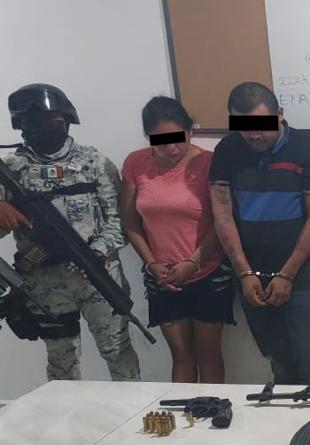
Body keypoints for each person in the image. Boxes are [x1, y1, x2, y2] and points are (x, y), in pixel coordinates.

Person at [0, 83, 140, 381]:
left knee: (117, 352)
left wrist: (99, 251)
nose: (45, 127)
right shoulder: (11, 169)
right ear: (22, 126)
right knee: (62, 363)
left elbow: (120, 222)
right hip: (44, 282)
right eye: (35, 122)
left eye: (53, 120)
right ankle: (64, 412)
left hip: (96, 274)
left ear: (67, 120)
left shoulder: (94, 163)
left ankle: (133, 409)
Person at [209, 82, 310, 386]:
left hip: (300, 276)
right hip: (251, 276)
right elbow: (222, 213)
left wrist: (287, 275)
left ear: (279, 114)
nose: (253, 134)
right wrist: (244, 273)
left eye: (261, 125)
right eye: (244, 126)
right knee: (279, 362)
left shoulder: (308, 149)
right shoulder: (227, 151)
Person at [121, 96, 235, 383]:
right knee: (181, 354)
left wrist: (194, 262)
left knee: (209, 351)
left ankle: (212, 406)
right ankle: (183, 410)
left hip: (208, 270)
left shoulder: (209, 162)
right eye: (160, 141)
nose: (171, 149)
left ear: (190, 130)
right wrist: (151, 264)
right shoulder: (135, 163)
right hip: (162, 276)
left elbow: (223, 221)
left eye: (178, 139)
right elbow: (130, 223)